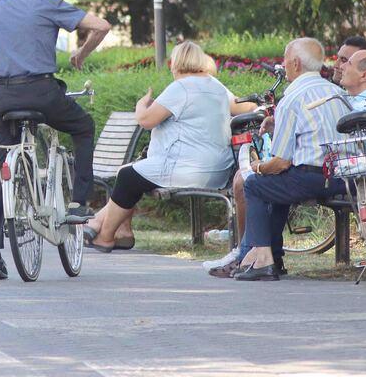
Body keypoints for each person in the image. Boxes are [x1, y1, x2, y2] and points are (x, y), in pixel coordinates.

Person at [0, 0, 111, 280]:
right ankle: (79, 202)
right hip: (41, 91)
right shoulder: (46, 1)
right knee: (83, 126)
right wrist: (82, 51)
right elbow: (101, 25)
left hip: (2, 97)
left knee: (0, 166)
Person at [89, 53, 255, 251]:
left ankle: (105, 236)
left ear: (176, 64)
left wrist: (141, 106)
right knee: (133, 172)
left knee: (127, 176)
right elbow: (249, 106)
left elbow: (146, 121)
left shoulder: (181, 87)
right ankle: (116, 229)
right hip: (219, 170)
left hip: (188, 169)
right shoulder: (217, 87)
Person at [227, 38, 348, 281]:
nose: (283, 64)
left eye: (285, 59)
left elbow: (281, 161)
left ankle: (262, 260)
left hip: (313, 177)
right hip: (343, 177)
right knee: (276, 186)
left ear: (295, 63)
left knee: (255, 185)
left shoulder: (292, 99)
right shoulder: (337, 92)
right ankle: (274, 256)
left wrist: (258, 167)